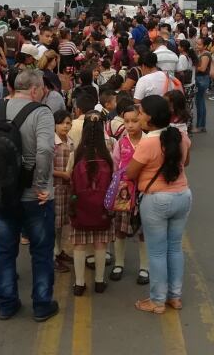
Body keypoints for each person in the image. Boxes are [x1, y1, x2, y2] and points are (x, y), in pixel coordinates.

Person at [0, 68, 59, 323]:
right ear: (35, 89)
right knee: (41, 251)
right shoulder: (42, 113)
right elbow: (45, 151)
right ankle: (41, 303)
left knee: (5, 250)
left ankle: (6, 302)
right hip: (33, 196)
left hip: (3, 193)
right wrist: (41, 185)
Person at [126, 94, 192, 314]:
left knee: (156, 252)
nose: (139, 116)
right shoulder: (180, 136)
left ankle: (156, 300)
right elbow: (186, 161)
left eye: (142, 113)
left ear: (151, 118)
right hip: (182, 196)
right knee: (175, 248)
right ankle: (175, 296)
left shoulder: (148, 142)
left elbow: (131, 172)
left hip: (156, 200)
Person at [69, 113, 116, 296]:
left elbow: (69, 177)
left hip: (80, 208)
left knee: (79, 245)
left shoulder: (77, 154)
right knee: (100, 244)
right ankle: (99, 281)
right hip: (102, 209)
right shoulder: (108, 155)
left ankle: (79, 284)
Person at [110, 99, 150, 284]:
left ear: (141, 120)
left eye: (134, 121)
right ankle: (119, 263)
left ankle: (144, 267)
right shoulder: (121, 142)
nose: (130, 125)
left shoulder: (149, 142)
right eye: (126, 121)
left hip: (144, 193)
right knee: (120, 229)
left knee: (143, 230)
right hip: (124, 193)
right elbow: (115, 164)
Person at [52, 109, 74, 273]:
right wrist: (63, 174)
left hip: (67, 188)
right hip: (56, 187)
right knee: (53, 224)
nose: (66, 126)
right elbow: (46, 168)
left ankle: (59, 251)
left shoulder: (71, 141)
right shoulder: (52, 143)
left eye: (68, 123)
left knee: (61, 224)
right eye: (62, 123)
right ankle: (52, 255)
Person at [192, 37, 212, 134]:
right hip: (201, 79)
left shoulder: (205, 54)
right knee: (200, 102)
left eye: (199, 44)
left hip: (202, 79)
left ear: (204, 46)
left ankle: (200, 126)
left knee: (199, 102)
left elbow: (203, 68)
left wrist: (193, 67)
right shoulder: (201, 53)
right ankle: (201, 125)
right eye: (197, 44)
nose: (197, 46)